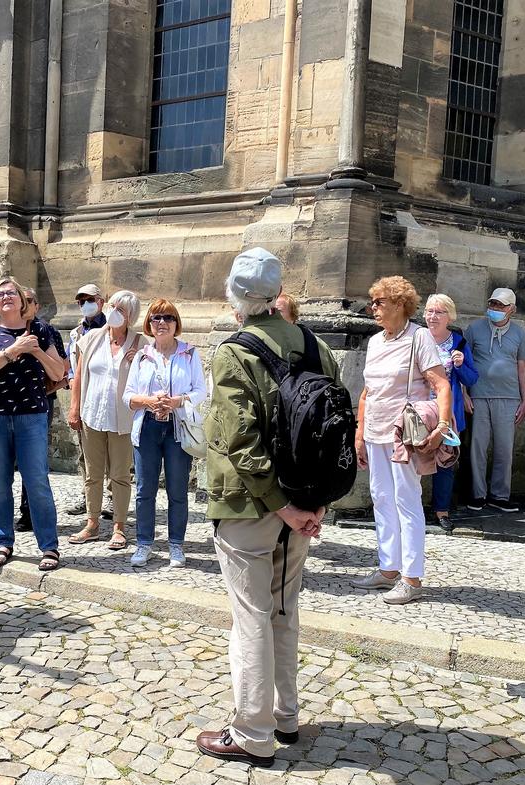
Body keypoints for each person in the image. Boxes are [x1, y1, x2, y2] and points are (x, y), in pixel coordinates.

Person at [195, 248, 332, 768]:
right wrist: (308, 504)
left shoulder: (234, 352)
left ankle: (252, 731)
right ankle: (286, 715)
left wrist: (283, 506)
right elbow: (328, 432)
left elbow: (240, 441)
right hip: (301, 503)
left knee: (251, 615)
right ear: (276, 294)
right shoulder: (316, 346)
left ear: (234, 295)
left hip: (250, 505)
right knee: (283, 609)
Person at [350, 277, 453, 604]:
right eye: (373, 302)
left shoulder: (419, 336)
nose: (373, 308)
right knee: (381, 497)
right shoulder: (376, 342)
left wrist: (443, 426)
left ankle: (412, 577)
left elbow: (442, 385)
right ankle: (388, 568)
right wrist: (359, 431)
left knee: (405, 500)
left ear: (399, 304)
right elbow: (368, 392)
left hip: (404, 432)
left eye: (379, 302)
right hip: (375, 429)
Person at [0, 277, 64, 569]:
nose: (5, 297)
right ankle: (3, 542)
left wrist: (34, 349)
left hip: (31, 415)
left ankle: (49, 547)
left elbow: (59, 371)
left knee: (37, 482)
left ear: (22, 301)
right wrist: (12, 351)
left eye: (11, 292)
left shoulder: (39, 330)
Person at [123, 299, 207, 567]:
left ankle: (176, 545)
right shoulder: (142, 355)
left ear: (176, 324)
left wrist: (177, 401)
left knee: (177, 489)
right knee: (145, 489)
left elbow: (200, 392)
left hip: (177, 427)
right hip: (148, 425)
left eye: (168, 318)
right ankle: (144, 543)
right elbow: (129, 395)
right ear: (149, 324)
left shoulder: (190, 353)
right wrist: (150, 401)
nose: (161, 323)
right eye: (156, 318)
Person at [67, 290, 143, 550]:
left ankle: (119, 527)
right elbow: (78, 376)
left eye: (121, 310)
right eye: (112, 306)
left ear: (130, 317)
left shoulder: (140, 343)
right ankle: (92, 523)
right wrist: (74, 408)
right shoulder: (91, 338)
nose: (114, 312)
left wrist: (139, 363)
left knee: (120, 475)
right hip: (92, 414)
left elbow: (150, 378)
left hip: (123, 418)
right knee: (92, 473)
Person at [464, 287, 525, 512]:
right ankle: (477, 494)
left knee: (504, 449)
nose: (495, 308)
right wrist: (464, 394)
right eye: (493, 304)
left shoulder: (519, 334)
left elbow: (522, 368)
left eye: (501, 305)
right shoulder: (474, 329)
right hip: (479, 395)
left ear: (512, 309)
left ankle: (500, 495)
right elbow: (462, 362)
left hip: (509, 397)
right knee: (477, 448)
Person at [423, 294, 478, 532]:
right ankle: (410, 508)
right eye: (429, 311)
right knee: (411, 458)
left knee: (445, 459)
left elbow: (472, 377)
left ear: (449, 317)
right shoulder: (416, 338)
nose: (432, 317)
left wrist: (460, 365)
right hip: (418, 409)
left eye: (439, 312)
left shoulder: (459, 342)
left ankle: (441, 510)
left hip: (448, 411)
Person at [63, 283, 108, 517]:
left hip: (107, 397)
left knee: (112, 452)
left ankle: (111, 497)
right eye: (81, 302)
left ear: (101, 301)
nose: (85, 305)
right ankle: (88, 495)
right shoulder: (77, 332)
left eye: (89, 300)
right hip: (84, 397)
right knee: (85, 452)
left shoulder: (113, 329)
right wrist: (73, 388)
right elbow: (72, 366)